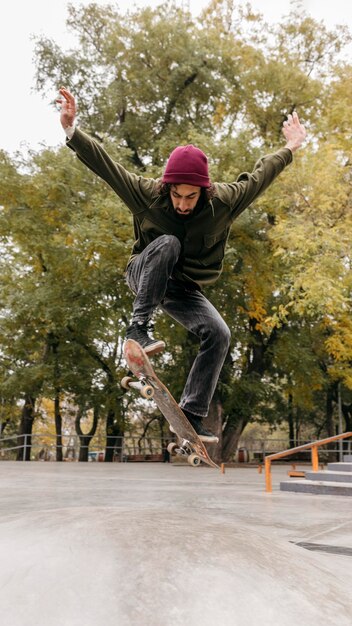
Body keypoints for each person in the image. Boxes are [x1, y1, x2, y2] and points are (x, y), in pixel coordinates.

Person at [57, 87, 306, 442]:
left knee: (219, 334)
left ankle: (191, 412)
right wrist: (71, 129)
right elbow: (107, 167)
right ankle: (137, 329)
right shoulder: (147, 194)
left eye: (191, 197)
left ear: (203, 192)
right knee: (168, 243)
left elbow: (260, 175)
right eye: (177, 195)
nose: (183, 204)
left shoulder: (224, 202)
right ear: (168, 188)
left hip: (183, 289)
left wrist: (291, 147)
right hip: (144, 272)